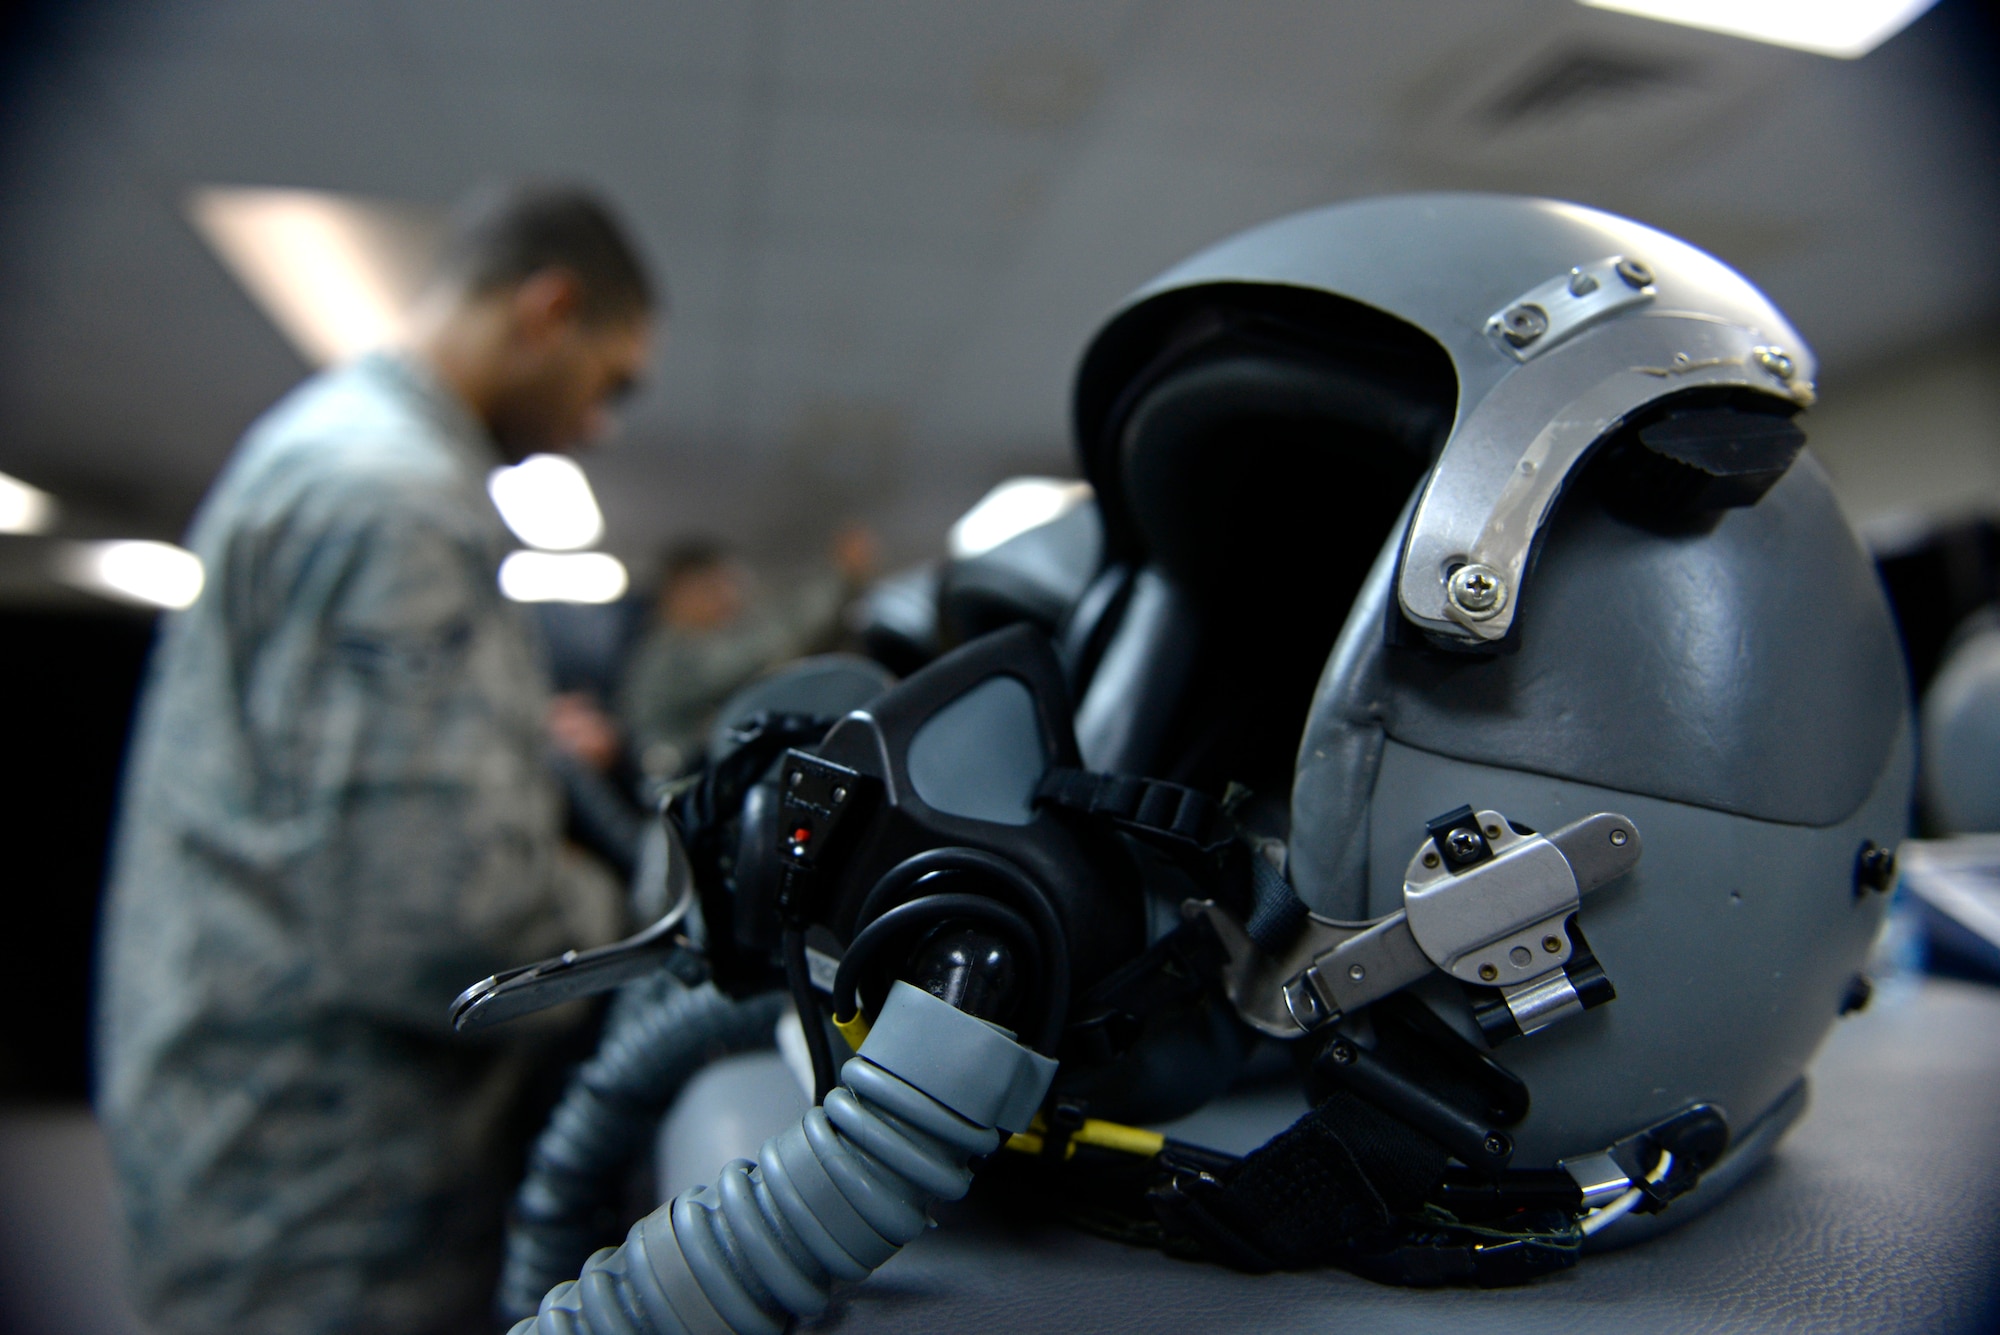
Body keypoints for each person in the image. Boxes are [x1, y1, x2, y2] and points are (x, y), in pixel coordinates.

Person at [95, 184, 656, 1334]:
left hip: (267, 1150)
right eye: (613, 382)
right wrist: (643, 908)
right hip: (323, 1201)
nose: (600, 424)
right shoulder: (391, 503)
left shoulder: (342, 452)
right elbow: (432, 924)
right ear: (549, 310)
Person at [616, 528, 878, 783]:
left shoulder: (709, 639)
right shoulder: (665, 655)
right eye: (712, 586)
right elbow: (744, 658)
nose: (727, 596)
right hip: (686, 784)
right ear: (679, 593)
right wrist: (839, 579)